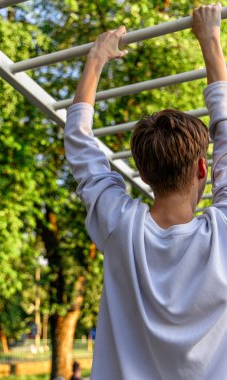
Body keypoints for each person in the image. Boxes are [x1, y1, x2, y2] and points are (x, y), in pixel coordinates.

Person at [65, 3, 227, 379]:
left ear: (141, 173)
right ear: (203, 168)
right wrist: (210, 39)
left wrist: (95, 58)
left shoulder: (120, 228)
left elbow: (79, 146)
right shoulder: (221, 236)